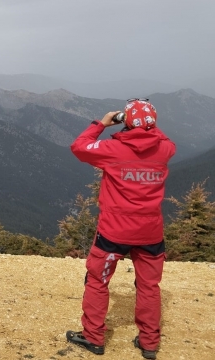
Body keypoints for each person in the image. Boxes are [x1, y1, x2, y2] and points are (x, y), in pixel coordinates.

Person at [66, 99, 175, 359]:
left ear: (126, 121)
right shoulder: (165, 149)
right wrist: (148, 126)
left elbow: (79, 147)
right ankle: (149, 343)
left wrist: (102, 123)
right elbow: (162, 139)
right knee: (149, 287)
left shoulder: (113, 149)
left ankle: (93, 338)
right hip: (150, 231)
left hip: (113, 232)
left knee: (98, 281)